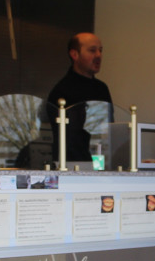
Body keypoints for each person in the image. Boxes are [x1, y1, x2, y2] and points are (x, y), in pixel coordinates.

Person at [46, 32, 112, 164]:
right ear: (75, 54)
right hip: (72, 165)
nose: (99, 55)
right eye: (92, 50)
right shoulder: (62, 91)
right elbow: (67, 139)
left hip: (100, 162)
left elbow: (109, 130)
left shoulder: (102, 88)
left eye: (100, 51)